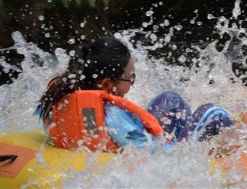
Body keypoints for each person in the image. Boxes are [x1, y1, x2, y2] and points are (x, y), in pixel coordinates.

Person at [36, 37, 232, 152]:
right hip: (168, 153)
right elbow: (149, 152)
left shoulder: (60, 98)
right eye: (130, 79)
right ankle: (237, 149)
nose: (131, 83)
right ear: (107, 83)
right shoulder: (113, 117)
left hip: (109, 143)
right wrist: (182, 149)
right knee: (212, 113)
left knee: (169, 99)